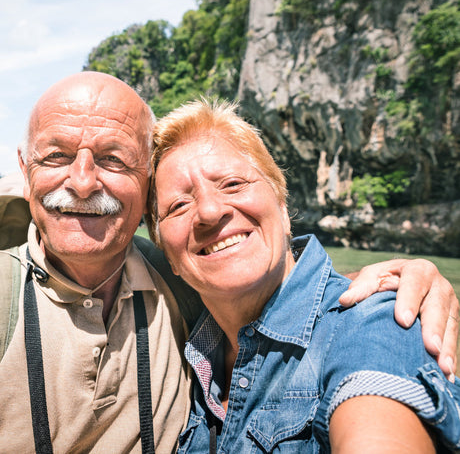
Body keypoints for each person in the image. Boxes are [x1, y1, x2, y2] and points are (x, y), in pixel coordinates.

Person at [0, 71, 458, 453]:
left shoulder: (368, 319)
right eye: (57, 155)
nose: (82, 182)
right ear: (26, 167)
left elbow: (363, 374)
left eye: (112, 159)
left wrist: (390, 290)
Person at [148, 98, 460, 452]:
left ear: (282, 209)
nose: (208, 210)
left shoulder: (375, 321)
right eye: (178, 205)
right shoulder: (184, 343)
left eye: (233, 184)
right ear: (166, 255)